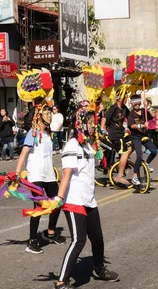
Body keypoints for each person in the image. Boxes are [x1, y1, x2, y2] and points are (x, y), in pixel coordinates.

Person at [54, 110, 119, 289]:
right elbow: (66, 174)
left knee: (97, 238)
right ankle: (61, 281)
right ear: (80, 124)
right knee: (78, 240)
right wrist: (59, 198)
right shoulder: (72, 145)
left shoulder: (91, 145)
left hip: (89, 199)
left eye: (94, 122)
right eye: (89, 122)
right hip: (74, 200)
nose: (93, 125)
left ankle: (100, 269)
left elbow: (96, 168)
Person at [15, 104, 65, 254]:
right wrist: (17, 172)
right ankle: (32, 241)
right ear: (39, 115)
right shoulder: (33, 133)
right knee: (39, 207)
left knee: (57, 203)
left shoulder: (49, 133)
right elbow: (24, 153)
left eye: (50, 113)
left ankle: (50, 232)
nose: (49, 115)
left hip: (49, 174)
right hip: (35, 175)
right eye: (46, 113)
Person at [101, 95, 132, 185]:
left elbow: (131, 117)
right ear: (120, 99)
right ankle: (120, 175)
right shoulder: (113, 108)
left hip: (122, 133)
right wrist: (102, 129)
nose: (126, 99)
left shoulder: (124, 108)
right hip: (115, 135)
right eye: (125, 97)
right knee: (125, 152)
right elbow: (105, 118)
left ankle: (121, 163)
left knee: (131, 146)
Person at [128, 95, 158, 183]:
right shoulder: (131, 114)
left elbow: (154, 116)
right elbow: (131, 125)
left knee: (154, 151)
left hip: (144, 135)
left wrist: (148, 107)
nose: (137, 106)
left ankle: (147, 162)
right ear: (132, 104)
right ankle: (135, 176)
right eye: (135, 105)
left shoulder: (144, 111)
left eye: (138, 104)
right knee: (139, 156)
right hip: (135, 137)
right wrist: (141, 125)